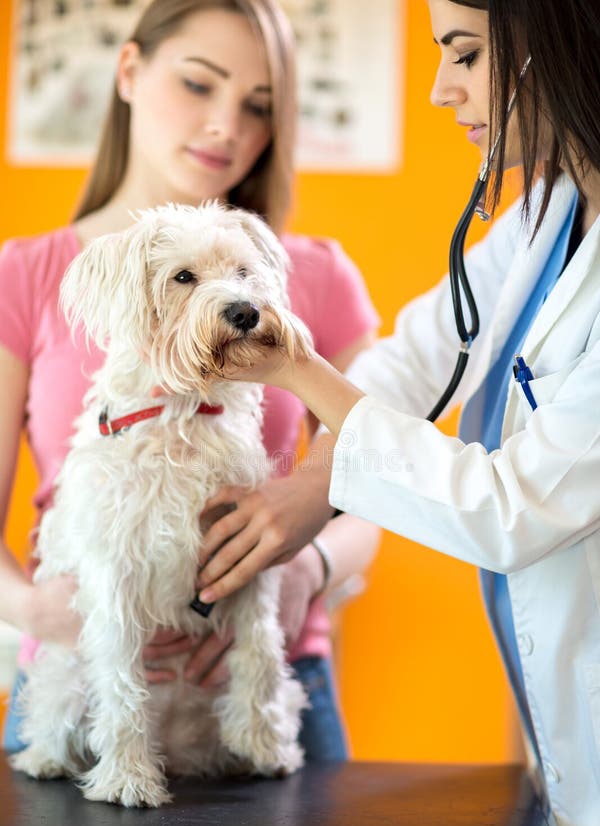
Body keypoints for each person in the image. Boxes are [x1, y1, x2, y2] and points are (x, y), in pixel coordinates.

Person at [194, 0, 600, 826]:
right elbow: (422, 351)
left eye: (464, 55)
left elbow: (510, 508)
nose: (440, 88)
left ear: (564, 43)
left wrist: (301, 372)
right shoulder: (547, 216)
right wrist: (314, 481)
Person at [0, 0, 381, 762]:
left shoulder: (317, 277)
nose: (226, 127)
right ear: (131, 70)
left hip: (265, 683)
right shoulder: (25, 274)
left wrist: (308, 566)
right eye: (199, 84)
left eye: (259, 106)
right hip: (85, 685)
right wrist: (42, 611)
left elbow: (382, 479)